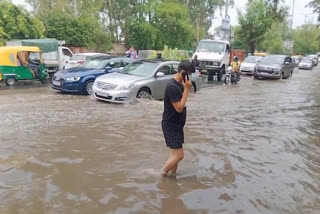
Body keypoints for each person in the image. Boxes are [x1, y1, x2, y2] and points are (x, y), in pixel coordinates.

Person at [161, 61, 194, 176]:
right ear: (183, 72)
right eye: (189, 74)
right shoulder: (172, 86)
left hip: (177, 124)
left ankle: (172, 178)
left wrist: (185, 88)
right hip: (170, 124)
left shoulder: (179, 84)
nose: (190, 77)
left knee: (175, 154)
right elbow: (179, 108)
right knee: (180, 155)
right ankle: (162, 174)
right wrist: (186, 90)